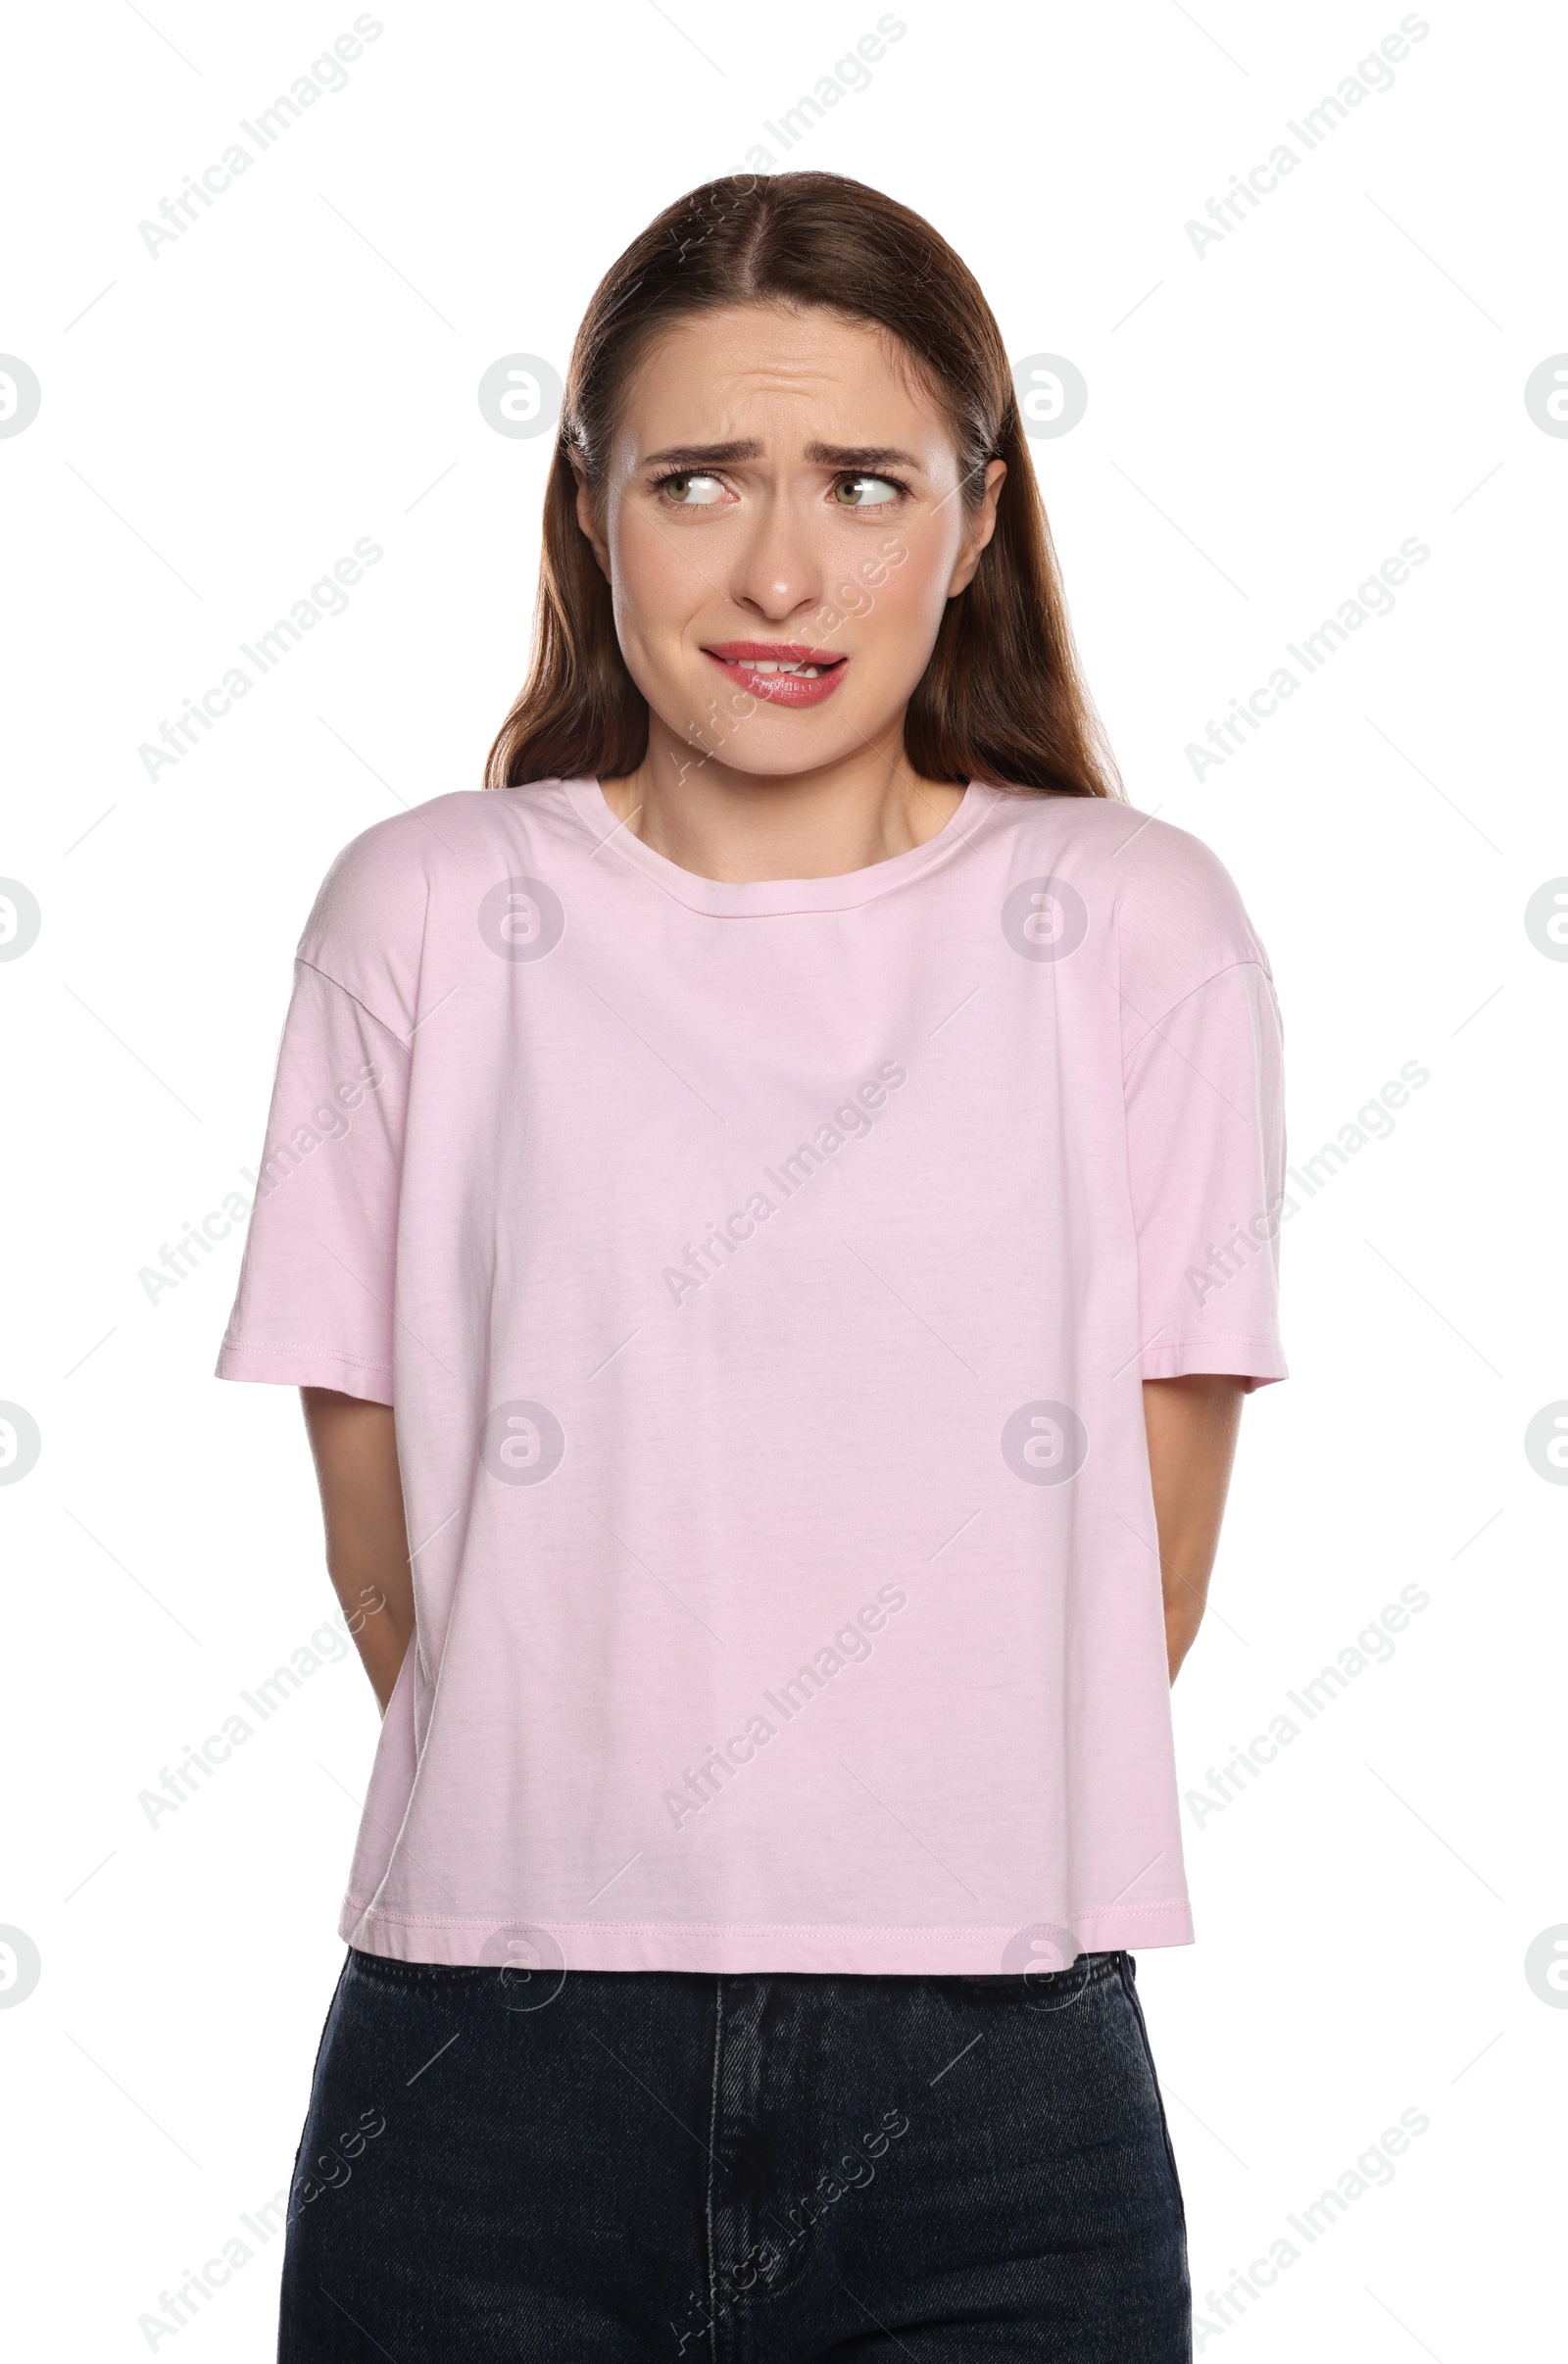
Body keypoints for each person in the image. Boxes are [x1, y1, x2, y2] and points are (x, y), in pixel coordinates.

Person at [219, 170, 1286, 2362]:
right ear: (586, 501)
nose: (778, 572)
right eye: (698, 479)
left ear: (973, 520)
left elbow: (1138, 1580)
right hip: (485, 2073)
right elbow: (394, 1569)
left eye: (862, 484)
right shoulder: (417, 914)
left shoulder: (1136, 931)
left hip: (995, 2081)